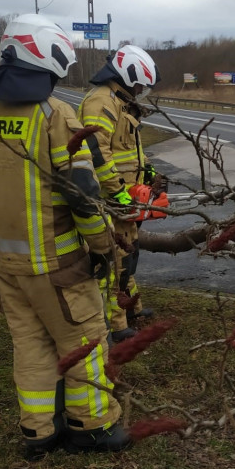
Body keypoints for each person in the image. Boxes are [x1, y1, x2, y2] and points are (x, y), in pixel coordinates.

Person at [0, 13, 131, 459]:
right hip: (60, 265)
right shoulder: (57, 116)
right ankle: (92, 426)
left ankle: (39, 431)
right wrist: (102, 249)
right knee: (86, 341)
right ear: (47, 56)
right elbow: (82, 194)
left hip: (9, 267)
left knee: (31, 344)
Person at [78, 45, 161, 343]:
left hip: (128, 196)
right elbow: (96, 152)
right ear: (128, 76)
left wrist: (149, 171)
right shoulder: (102, 102)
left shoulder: (120, 103)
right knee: (117, 260)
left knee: (129, 256)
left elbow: (130, 150)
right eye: (139, 84)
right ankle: (117, 324)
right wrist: (117, 193)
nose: (140, 90)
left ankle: (132, 308)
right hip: (111, 199)